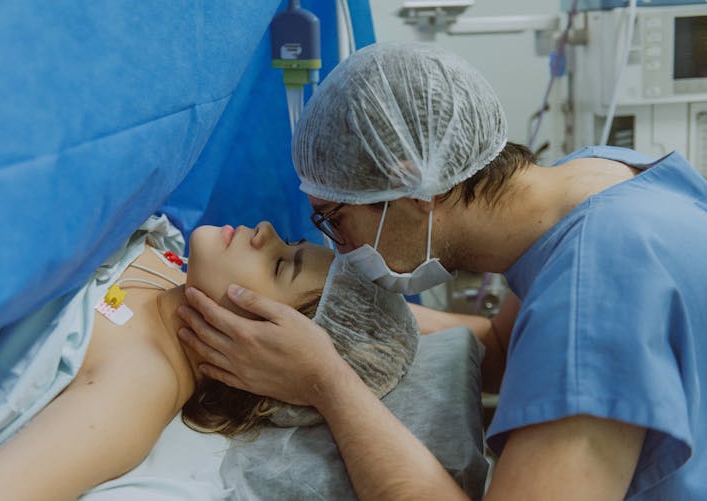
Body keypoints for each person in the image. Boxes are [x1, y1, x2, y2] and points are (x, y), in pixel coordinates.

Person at [177, 42, 707, 500]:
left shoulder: (593, 294)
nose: (340, 252)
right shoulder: (596, 179)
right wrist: (337, 333)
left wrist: (327, 380)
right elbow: (500, 348)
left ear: (415, 187)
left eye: (335, 218)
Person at [0, 220, 335, 501]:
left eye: (280, 265)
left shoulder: (135, 389)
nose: (265, 230)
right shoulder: (173, 265)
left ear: (262, 354)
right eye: (289, 242)